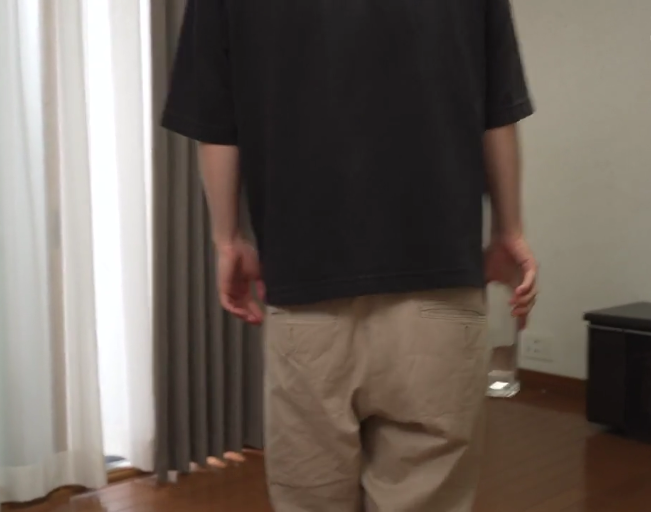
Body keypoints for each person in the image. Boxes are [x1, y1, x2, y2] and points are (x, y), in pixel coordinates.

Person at [161, 0, 538, 510]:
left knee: (312, 498)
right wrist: (509, 231)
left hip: (307, 293)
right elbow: (499, 110)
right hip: (440, 290)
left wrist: (227, 240)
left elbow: (216, 124)